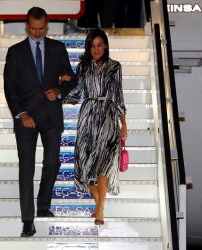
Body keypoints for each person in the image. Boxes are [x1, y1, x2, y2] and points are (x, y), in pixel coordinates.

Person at [4, 7, 75, 237]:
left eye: (41, 28)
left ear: (47, 26)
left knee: (52, 162)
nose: (37, 33)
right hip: (26, 117)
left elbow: (70, 79)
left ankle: (44, 206)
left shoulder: (58, 48)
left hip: (51, 116)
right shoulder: (15, 52)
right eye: (33, 29)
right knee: (26, 168)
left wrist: (59, 89)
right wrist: (21, 114)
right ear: (27, 26)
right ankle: (28, 220)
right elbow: (9, 88)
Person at [64, 28, 127, 225]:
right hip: (88, 115)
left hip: (107, 115)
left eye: (100, 45)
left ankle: (99, 210)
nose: (96, 49)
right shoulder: (83, 66)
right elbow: (76, 92)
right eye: (93, 46)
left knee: (103, 163)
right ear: (88, 48)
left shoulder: (114, 66)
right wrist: (62, 84)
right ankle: (99, 202)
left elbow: (118, 95)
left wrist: (123, 123)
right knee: (84, 163)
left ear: (106, 46)